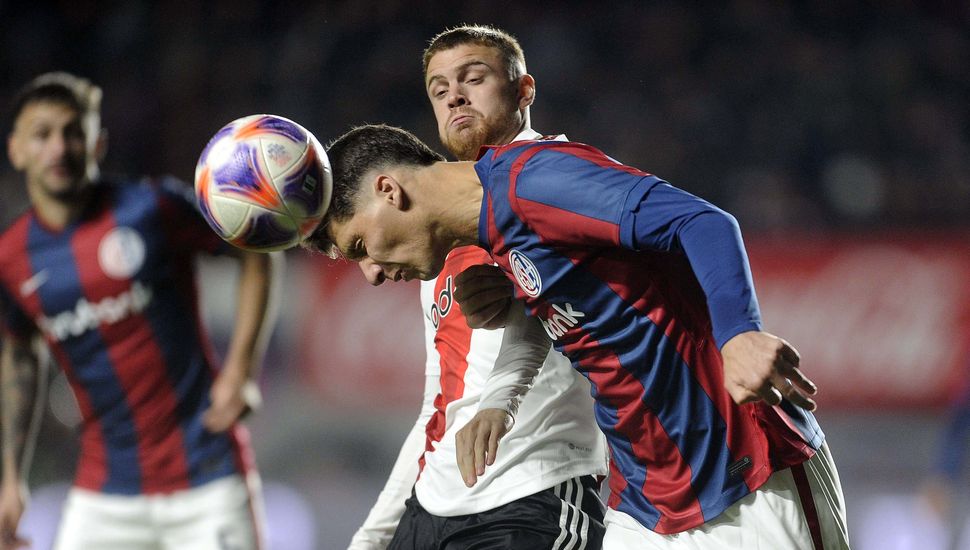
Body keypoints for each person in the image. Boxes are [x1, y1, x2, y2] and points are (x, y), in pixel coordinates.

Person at [303, 123, 851, 549]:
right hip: (644, 501)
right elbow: (555, 321)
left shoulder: (534, 182)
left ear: (388, 190)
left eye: (358, 246)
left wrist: (739, 334)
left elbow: (704, 223)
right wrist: (500, 397)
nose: (370, 271)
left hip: (742, 470)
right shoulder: (489, 239)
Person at [347, 26, 609, 550]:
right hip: (433, 505)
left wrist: (521, 310)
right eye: (439, 90)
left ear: (524, 91)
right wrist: (375, 535)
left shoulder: (566, 186)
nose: (455, 97)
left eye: (473, 78)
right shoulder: (437, 238)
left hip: (536, 494)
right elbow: (439, 407)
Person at [0, 72, 279, 550]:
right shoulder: (11, 258)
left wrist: (241, 370)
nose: (59, 148)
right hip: (104, 491)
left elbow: (256, 251)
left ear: (98, 143)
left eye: (73, 132)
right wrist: (10, 477)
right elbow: (20, 356)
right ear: (17, 150)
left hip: (207, 474)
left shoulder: (151, 209)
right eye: (42, 134)